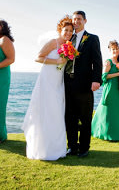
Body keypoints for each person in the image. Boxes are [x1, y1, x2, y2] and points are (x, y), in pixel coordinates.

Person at [22, 15, 73, 160]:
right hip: (47, 80)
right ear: (60, 30)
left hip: (58, 82)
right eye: (66, 30)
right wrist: (56, 60)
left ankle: (57, 148)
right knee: (46, 111)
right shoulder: (53, 42)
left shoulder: (69, 46)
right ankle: (43, 148)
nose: (68, 33)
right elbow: (38, 57)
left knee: (57, 113)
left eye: (70, 31)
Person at [64, 11, 103, 158]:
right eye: (74, 19)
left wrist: (96, 80)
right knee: (70, 117)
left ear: (85, 21)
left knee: (85, 118)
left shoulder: (92, 39)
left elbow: (97, 60)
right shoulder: (67, 39)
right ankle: (72, 147)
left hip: (85, 84)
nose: (76, 22)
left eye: (79, 19)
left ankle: (84, 147)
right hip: (67, 83)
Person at [91, 41, 119, 141]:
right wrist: (118, 74)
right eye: (113, 49)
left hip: (117, 89)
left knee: (114, 112)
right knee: (107, 111)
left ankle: (113, 134)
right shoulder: (108, 62)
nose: (115, 51)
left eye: (117, 49)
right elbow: (103, 77)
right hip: (110, 88)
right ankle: (104, 133)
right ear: (110, 50)